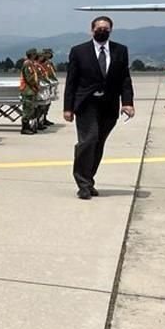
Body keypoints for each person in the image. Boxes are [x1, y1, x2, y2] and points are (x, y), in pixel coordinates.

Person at [63, 16, 135, 200]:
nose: (102, 31)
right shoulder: (79, 51)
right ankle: (83, 184)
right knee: (89, 140)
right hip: (87, 103)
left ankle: (88, 179)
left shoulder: (120, 50)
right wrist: (68, 107)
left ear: (111, 30)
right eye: (99, 28)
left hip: (109, 105)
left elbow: (125, 79)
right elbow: (71, 81)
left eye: (106, 28)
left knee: (98, 143)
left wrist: (127, 102)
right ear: (92, 30)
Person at [19, 48, 40, 135]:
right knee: (27, 110)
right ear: (32, 55)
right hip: (28, 90)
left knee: (30, 109)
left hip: (30, 90)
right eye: (35, 54)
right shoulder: (27, 64)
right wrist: (35, 86)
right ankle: (25, 127)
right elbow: (30, 79)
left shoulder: (31, 64)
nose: (36, 56)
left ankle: (28, 126)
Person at [41, 48, 59, 126]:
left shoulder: (49, 63)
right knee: (44, 103)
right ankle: (41, 119)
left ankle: (44, 118)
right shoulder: (42, 63)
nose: (51, 55)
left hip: (50, 84)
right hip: (45, 84)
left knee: (48, 103)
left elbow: (54, 71)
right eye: (49, 53)